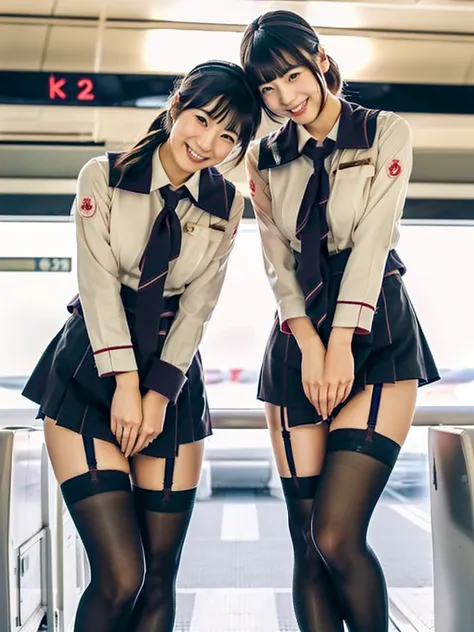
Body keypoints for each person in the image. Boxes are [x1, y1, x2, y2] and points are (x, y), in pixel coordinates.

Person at [22, 60, 261, 632]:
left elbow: (200, 304)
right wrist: (127, 385)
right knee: (120, 576)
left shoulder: (227, 203)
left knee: (157, 580)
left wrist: (156, 394)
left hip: (171, 379)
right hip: (89, 371)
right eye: (202, 120)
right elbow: (97, 285)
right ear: (176, 106)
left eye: (229, 136)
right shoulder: (102, 176)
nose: (208, 143)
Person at [241, 11, 439, 632]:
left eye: (293, 77)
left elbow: (375, 240)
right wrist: (308, 341)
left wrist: (342, 343)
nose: (285, 99)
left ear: (320, 60)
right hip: (297, 337)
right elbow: (276, 260)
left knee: (336, 533)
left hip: (376, 333)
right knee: (306, 541)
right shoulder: (265, 155)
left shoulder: (385, 133)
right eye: (268, 90)